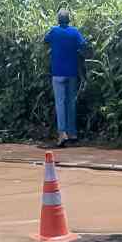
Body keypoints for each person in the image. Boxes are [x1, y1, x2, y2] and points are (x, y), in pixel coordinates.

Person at [44, 8, 87, 147]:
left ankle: (62, 134)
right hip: (72, 73)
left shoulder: (54, 31)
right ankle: (73, 133)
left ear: (58, 20)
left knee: (60, 104)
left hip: (57, 73)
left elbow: (45, 40)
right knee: (71, 103)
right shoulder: (74, 32)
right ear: (69, 19)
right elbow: (83, 44)